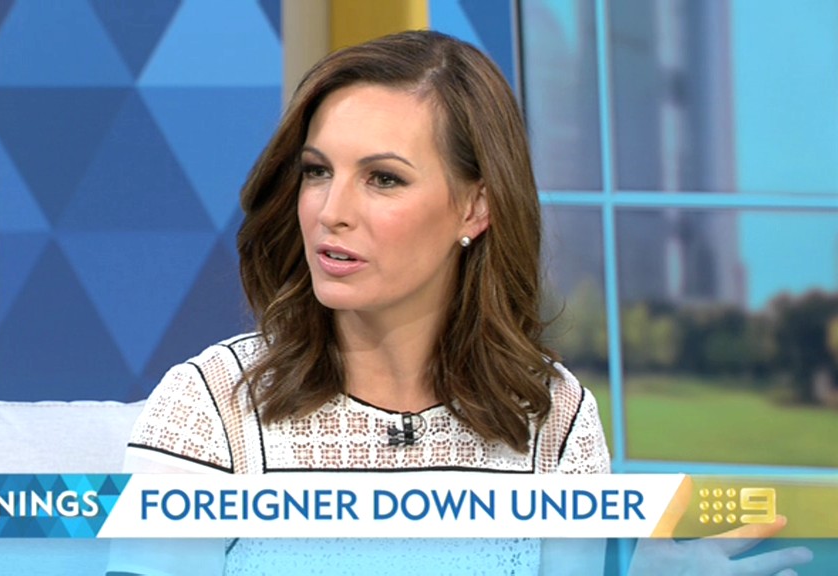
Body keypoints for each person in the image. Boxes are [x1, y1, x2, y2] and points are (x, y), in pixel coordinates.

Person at [110, 30, 811, 576]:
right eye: (317, 172)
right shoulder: (211, 407)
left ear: (475, 208)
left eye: (383, 179)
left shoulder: (553, 416)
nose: (330, 210)